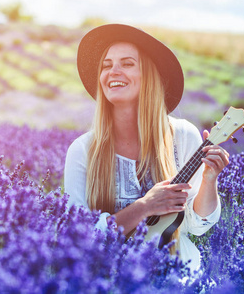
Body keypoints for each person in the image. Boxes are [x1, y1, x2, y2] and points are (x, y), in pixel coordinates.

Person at [64, 24, 230, 272]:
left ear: (149, 75)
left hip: (175, 270)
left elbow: (197, 225)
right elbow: (77, 236)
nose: (113, 71)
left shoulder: (183, 136)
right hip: (108, 277)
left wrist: (209, 180)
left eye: (127, 63)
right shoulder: (83, 150)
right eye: (106, 65)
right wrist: (145, 206)